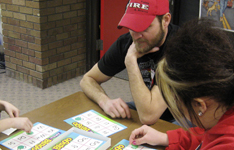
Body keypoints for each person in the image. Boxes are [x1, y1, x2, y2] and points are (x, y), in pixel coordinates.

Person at [129, 18, 234, 149]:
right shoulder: (220, 114)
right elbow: (204, 135)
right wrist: (166, 138)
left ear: (200, 106)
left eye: (176, 102)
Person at [80, 0, 179, 125]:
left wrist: (130, 62)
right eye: (132, 26)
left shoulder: (180, 47)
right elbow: (87, 79)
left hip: (183, 117)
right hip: (145, 108)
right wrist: (104, 101)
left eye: (144, 27)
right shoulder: (127, 42)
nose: (137, 36)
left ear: (165, 20)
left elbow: (149, 116)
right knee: (108, 120)